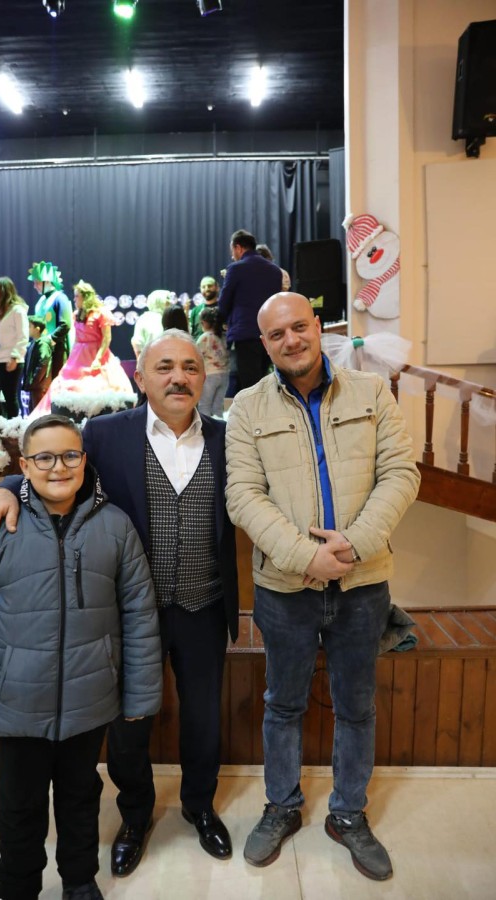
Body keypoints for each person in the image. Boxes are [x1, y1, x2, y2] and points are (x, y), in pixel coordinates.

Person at [0, 330, 239, 879]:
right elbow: (56, 470)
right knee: (127, 726)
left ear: (204, 377)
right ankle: (135, 815)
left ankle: (199, 805)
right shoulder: (105, 433)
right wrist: (3, 488)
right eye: (164, 367)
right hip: (127, 613)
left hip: (204, 606)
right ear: (140, 378)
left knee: (203, 719)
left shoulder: (228, 438)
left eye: (190, 367)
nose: (179, 377)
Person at [225, 292, 420, 881]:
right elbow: (243, 496)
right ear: (265, 344)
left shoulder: (371, 392)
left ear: (317, 326)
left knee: (357, 707)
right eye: (276, 334)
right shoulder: (246, 408)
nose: (291, 340)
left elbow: (400, 473)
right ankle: (282, 806)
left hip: (364, 585)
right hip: (284, 590)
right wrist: (306, 555)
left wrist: (353, 546)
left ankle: (348, 814)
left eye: (298, 327)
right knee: (282, 703)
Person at [0, 413, 162, 900]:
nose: (57, 467)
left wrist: (140, 696)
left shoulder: (115, 527)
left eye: (69, 455)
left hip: (89, 700)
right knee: (20, 806)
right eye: (43, 457)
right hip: (16, 705)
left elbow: (139, 616)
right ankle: (18, 887)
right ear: (23, 465)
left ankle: (79, 880)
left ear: (84, 460)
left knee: (81, 798)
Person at [34, 280, 135, 420]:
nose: (74, 299)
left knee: (98, 385)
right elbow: (76, 338)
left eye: (77, 296)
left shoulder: (100, 313)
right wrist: (71, 358)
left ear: (86, 297)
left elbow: (106, 338)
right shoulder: (77, 314)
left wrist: (98, 358)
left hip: (96, 352)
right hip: (78, 354)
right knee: (64, 382)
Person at [217, 230, 282, 392]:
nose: (232, 256)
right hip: (269, 334)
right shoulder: (275, 271)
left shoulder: (236, 269)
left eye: (232, 251)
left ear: (238, 248)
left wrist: (222, 321)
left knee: (250, 387)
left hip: (245, 335)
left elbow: (223, 303)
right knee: (265, 382)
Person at [0, 277, 29, 419]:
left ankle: (13, 426)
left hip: (10, 359)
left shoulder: (17, 311)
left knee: (10, 396)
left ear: (3, 291)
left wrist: (15, 356)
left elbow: (23, 336)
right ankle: (0, 423)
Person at [28, 261, 74, 378]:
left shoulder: (60, 298)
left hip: (57, 351)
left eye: (37, 282)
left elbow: (65, 324)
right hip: (42, 351)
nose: (34, 286)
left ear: (47, 281)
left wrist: (50, 339)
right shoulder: (40, 302)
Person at [196, 306, 229, 418]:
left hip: (209, 375)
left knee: (204, 406)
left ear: (204, 323)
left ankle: (204, 427)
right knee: (218, 407)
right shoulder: (224, 337)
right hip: (225, 375)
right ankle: (218, 426)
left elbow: (196, 356)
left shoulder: (204, 338)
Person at [21, 316, 52, 413]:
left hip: (39, 386)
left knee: (38, 413)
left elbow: (43, 361)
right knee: (32, 411)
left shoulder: (43, 344)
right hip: (35, 386)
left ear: (37, 329)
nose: (27, 329)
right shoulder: (33, 343)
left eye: (29, 326)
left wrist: (35, 380)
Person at [130, 289, 173, 359]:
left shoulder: (170, 317)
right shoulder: (145, 318)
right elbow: (137, 343)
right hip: (152, 359)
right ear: (159, 302)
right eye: (167, 302)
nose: (170, 304)